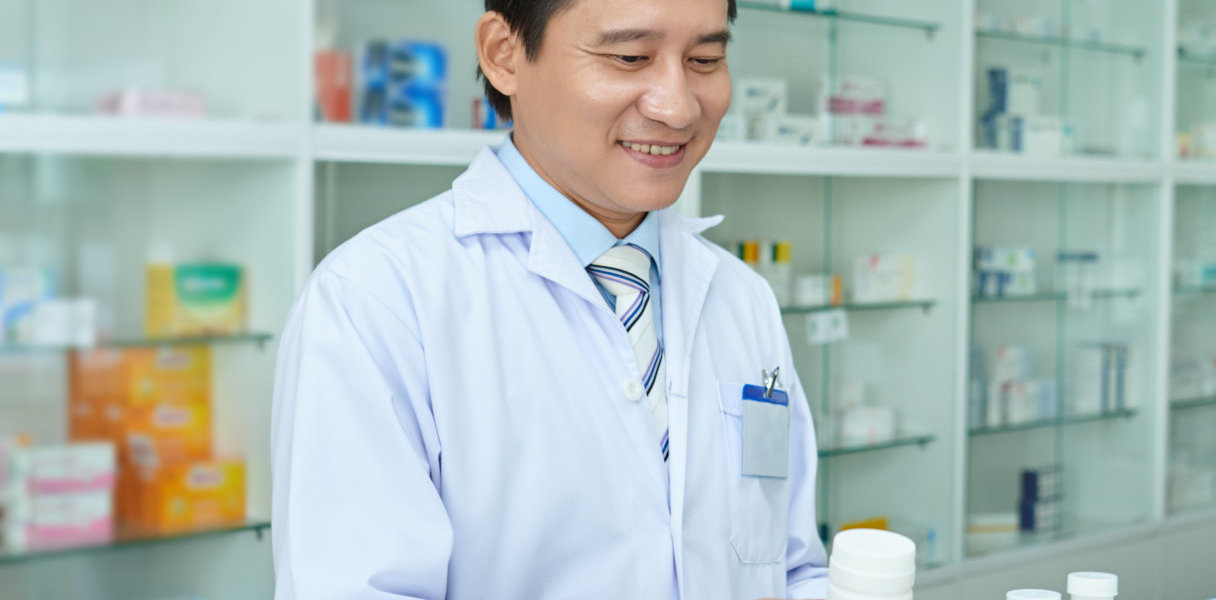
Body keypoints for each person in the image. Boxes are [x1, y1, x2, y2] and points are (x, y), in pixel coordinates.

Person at [270, 0, 830, 598]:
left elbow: (790, 569)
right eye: (630, 57)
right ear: (503, 55)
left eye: (705, 59)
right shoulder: (378, 300)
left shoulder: (741, 297)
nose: (678, 105)